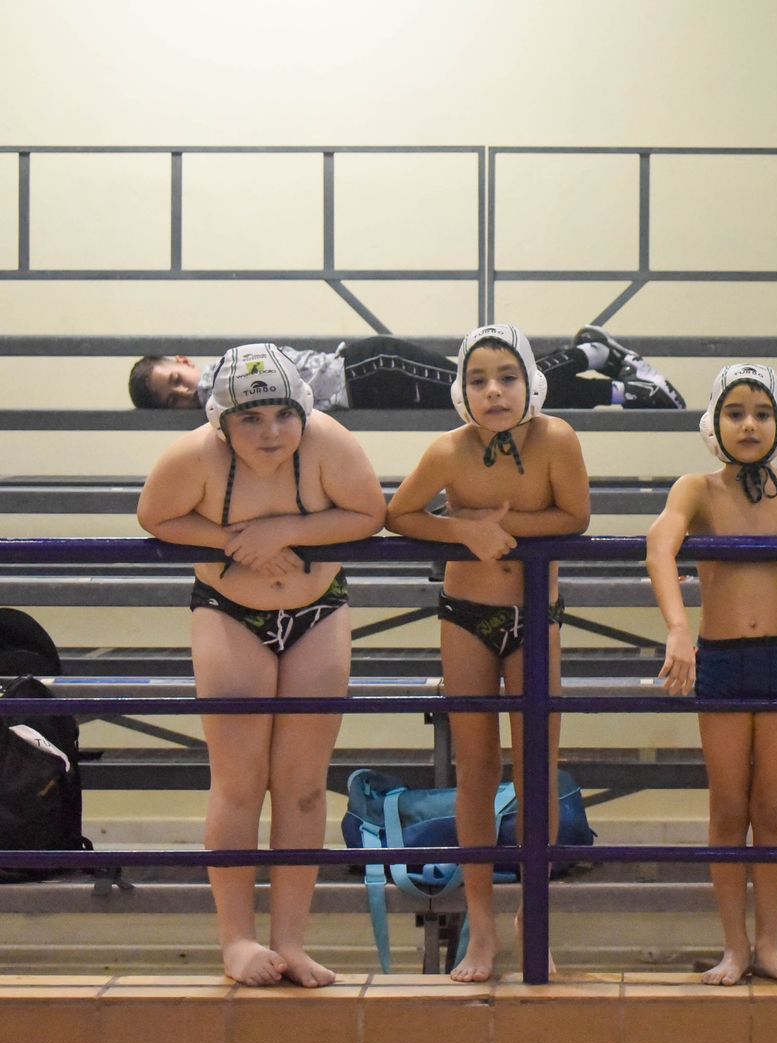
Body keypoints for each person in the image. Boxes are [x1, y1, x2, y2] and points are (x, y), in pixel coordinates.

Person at [135, 344, 387, 987]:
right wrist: (231, 542)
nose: (270, 432)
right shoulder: (194, 456)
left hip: (318, 611)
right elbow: (154, 515)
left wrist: (282, 533)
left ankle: (292, 941)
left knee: (304, 785)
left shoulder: (328, 441)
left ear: (303, 408)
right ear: (221, 420)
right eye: (250, 419)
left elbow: (370, 513)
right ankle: (237, 940)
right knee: (239, 781)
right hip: (228, 612)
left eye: (282, 414)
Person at [384, 324, 591, 982]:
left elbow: (575, 517)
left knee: (537, 772)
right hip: (467, 617)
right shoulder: (448, 451)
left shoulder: (557, 439)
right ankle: (482, 925)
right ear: (460, 391)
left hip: (537, 616)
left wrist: (492, 527)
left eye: (507, 377)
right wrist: (457, 531)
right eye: (478, 380)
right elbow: (398, 515)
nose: (494, 391)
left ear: (532, 382)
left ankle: (536, 920)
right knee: (475, 771)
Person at [646, 363, 777, 985]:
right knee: (727, 806)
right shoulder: (697, 489)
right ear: (714, 422)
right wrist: (679, 627)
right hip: (719, 658)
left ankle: (769, 944)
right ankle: (733, 947)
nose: (748, 424)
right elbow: (659, 545)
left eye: (762, 414)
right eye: (735, 412)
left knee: (772, 808)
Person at [128, 326, 685, 411]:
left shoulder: (226, 370)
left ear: (182, 361)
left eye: (177, 379)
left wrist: (202, 394)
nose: (187, 391)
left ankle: (596, 356)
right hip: (367, 387)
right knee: (505, 405)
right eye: (173, 398)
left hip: (372, 369)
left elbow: (263, 388)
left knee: (488, 391)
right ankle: (623, 390)